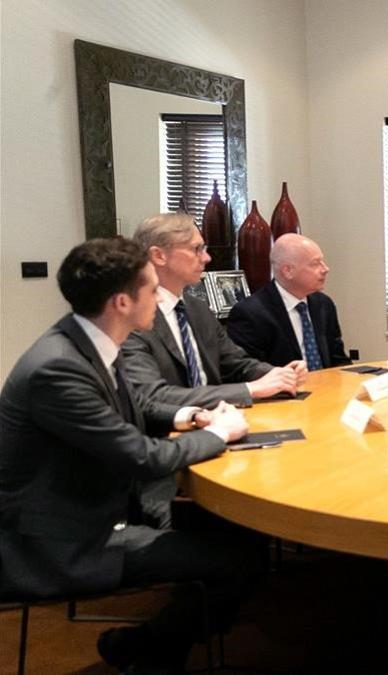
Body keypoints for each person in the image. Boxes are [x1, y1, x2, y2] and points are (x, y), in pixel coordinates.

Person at [0, 238, 257, 673]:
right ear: (122, 301)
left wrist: (191, 414)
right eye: (153, 290)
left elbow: (130, 417)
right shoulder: (57, 368)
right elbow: (140, 456)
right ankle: (146, 650)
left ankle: (143, 648)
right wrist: (219, 432)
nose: (160, 299)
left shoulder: (88, 341)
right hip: (57, 540)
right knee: (234, 562)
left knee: (232, 534)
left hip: (94, 506)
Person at [121, 213, 309, 527]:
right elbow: (153, 396)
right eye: (196, 249)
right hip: (169, 457)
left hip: (222, 431)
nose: (207, 257)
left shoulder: (196, 308)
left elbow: (236, 362)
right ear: (158, 255)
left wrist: (278, 374)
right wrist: (251, 390)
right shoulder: (134, 317)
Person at [227, 233, 352, 369]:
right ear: (288, 271)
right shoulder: (250, 314)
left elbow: (338, 359)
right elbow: (247, 371)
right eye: (315, 264)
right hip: (283, 389)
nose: (325, 269)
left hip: (327, 387)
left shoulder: (323, 304)